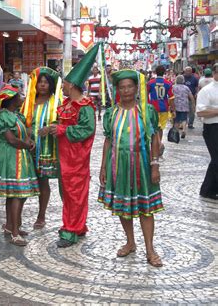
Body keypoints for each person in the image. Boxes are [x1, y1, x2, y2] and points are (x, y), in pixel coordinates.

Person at [99, 70, 164, 267]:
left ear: (136, 88)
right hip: (118, 165)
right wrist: (103, 167)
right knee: (123, 207)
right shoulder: (111, 113)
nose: (126, 90)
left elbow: (154, 138)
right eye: (122, 87)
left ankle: (150, 250)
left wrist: (154, 165)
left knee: (146, 209)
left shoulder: (146, 111)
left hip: (142, 166)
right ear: (117, 90)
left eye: (130, 86)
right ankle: (130, 241)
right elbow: (108, 140)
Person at [47, 44, 98, 248]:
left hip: (76, 159)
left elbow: (87, 130)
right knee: (68, 194)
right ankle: (78, 225)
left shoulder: (84, 106)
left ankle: (70, 231)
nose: (63, 86)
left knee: (74, 194)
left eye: (66, 83)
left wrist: (60, 130)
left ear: (73, 85)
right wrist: (52, 128)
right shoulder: (67, 104)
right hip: (64, 157)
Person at [0, 85, 39, 246]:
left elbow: (22, 135)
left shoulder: (15, 115)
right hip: (11, 156)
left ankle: (12, 226)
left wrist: (29, 141)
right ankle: (15, 233)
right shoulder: (3, 116)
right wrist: (27, 146)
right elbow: (11, 139)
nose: (22, 98)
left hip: (19, 155)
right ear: (11, 100)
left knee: (15, 194)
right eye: (19, 96)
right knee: (16, 193)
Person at [22, 67, 61, 229]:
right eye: (40, 82)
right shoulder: (28, 102)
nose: (43, 85)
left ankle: (41, 215)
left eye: (46, 83)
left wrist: (51, 127)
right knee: (23, 182)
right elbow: (20, 121)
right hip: (28, 148)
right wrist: (26, 132)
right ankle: (15, 217)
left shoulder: (57, 101)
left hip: (47, 149)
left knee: (43, 182)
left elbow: (62, 121)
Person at [196, 63, 218, 200]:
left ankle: (208, 189)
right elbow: (200, 112)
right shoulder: (207, 90)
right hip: (213, 128)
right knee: (217, 159)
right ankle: (209, 189)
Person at [147, 65, 175, 155]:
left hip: (153, 108)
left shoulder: (150, 83)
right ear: (164, 72)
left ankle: (156, 144)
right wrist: (173, 109)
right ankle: (159, 145)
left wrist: (148, 104)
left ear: (155, 72)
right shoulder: (168, 83)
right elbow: (171, 97)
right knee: (161, 128)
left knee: (154, 127)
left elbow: (145, 95)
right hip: (164, 108)